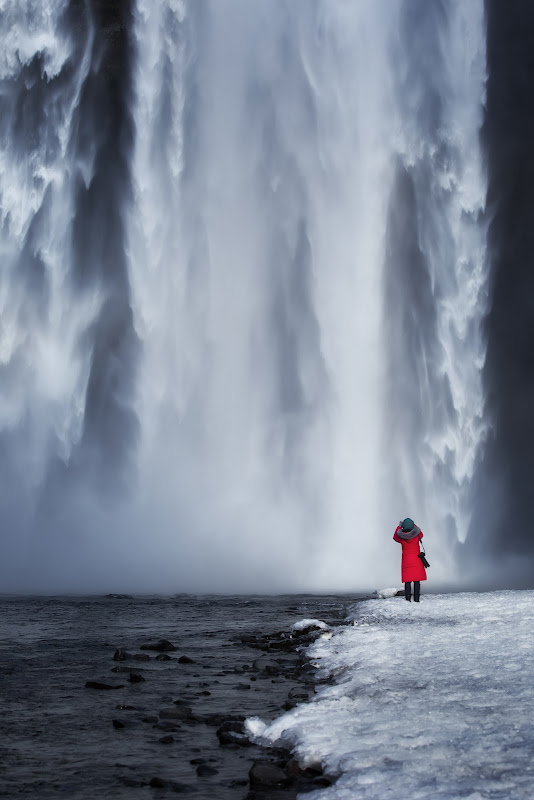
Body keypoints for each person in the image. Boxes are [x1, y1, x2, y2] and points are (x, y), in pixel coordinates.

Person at [393, 517, 427, 602]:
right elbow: (420, 533)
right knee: (416, 580)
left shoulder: (401, 537)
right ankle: (416, 598)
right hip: (417, 560)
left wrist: (400, 526)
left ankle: (407, 599)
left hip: (407, 560)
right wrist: (413, 525)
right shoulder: (417, 535)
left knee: (407, 581)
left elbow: (395, 537)